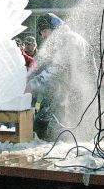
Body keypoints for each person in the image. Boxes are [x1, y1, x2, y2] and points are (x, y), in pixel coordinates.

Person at [27, 13, 95, 141]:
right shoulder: (58, 43)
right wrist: (27, 80)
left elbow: (56, 69)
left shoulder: (70, 40)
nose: (43, 36)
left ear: (54, 28)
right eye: (41, 34)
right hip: (63, 92)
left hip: (77, 93)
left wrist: (32, 85)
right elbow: (44, 67)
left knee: (58, 132)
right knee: (40, 124)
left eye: (44, 31)